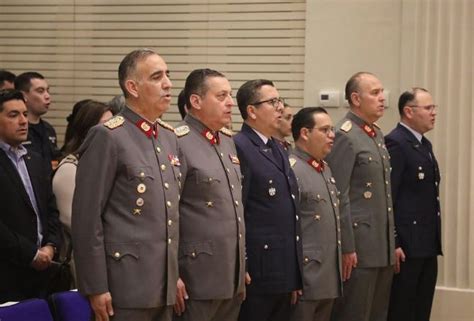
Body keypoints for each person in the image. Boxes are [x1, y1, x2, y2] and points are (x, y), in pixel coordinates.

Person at [72, 49, 180, 321]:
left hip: (163, 283)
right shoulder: (107, 136)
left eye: (167, 75)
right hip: (124, 284)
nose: (167, 83)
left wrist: (175, 275)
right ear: (132, 87)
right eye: (157, 77)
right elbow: (87, 218)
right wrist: (96, 287)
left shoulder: (167, 137)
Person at [173, 69, 245, 321]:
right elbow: (167, 214)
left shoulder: (226, 140)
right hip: (196, 276)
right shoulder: (176, 141)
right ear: (196, 101)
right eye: (221, 95)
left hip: (230, 274)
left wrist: (240, 265)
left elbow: (233, 209)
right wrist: (172, 274)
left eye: (231, 95)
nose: (230, 103)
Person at [326, 72, 395, 321]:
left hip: (381, 245)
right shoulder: (344, 135)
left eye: (382, 92)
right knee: (355, 313)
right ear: (356, 98)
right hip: (359, 248)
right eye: (375, 93)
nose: (382, 98)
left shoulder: (375, 134)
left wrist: (392, 242)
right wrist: (347, 246)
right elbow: (339, 194)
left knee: (377, 313)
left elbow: (384, 198)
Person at [234, 79, 302, 321]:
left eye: (279, 101)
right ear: (251, 110)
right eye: (272, 102)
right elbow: (239, 211)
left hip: (282, 267)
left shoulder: (278, 147)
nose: (280, 108)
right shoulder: (240, 146)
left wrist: (294, 272)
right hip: (259, 270)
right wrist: (242, 264)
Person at [385, 88, 442, 321]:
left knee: (421, 308)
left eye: (433, 108)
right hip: (407, 246)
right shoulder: (396, 143)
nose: (434, 113)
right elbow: (390, 196)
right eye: (428, 108)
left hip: (426, 242)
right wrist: (395, 240)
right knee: (402, 309)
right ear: (409, 111)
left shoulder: (424, 144)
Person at [0, 89, 61, 303]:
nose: (23, 121)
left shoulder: (34, 159)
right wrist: (31, 254)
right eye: (13, 115)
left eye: (25, 114)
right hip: (8, 272)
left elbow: (51, 210)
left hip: (42, 273)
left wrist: (51, 246)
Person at [288, 107, 342, 321]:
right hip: (306, 277)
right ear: (304, 133)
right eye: (325, 130)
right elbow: (287, 228)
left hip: (327, 275)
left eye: (332, 129)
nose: (332, 135)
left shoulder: (324, 168)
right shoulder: (291, 169)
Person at [53, 100, 113, 281]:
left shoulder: (105, 164)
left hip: (111, 258)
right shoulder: (70, 169)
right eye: (105, 126)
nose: (112, 132)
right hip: (84, 264)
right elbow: (78, 225)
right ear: (87, 130)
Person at [14, 72, 61, 170]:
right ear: (23, 96)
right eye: (40, 91)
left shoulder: (48, 129)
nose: (47, 96)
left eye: (48, 91)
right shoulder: (17, 128)